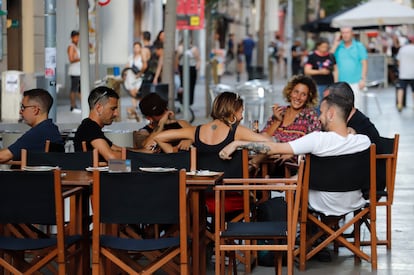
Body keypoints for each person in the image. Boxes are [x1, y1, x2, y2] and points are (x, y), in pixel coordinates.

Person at [219, 93, 370, 217]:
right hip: (354, 202)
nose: (319, 117)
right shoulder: (364, 142)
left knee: (292, 191)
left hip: (322, 203)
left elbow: (272, 148)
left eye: (322, 113)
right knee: (301, 177)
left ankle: (297, 240)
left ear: (331, 114)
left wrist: (237, 144)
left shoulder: (316, 139)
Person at [152, 91, 272, 154]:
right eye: (241, 112)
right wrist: (239, 143)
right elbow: (269, 143)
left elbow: (159, 137)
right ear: (232, 113)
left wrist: (174, 157)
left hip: (203, 192)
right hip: (230, 191)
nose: (241, 117)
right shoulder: (237, 131)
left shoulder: (196, 131)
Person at [252, 75, 321, 173]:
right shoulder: (280, 112)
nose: (298, 97)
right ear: (290, 92)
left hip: (290, 166)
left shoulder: (310, 116)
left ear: (308, 97)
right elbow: (262, 139)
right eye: (296, 92)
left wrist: (293, 152)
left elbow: (315, 143)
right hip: (268, 162)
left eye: (303, 94)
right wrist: (277, 121)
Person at [0, 88, 63, 163]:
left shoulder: (38, 133)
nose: (20, 112)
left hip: (31, 174)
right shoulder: (51, 129)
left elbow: (3, 156)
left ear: (35, 110)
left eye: (23, 107)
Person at [73, 86, 122, 161]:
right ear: (99, 108)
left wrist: (143, 153)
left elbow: (118, 149)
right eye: (113, 109)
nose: (116, 114)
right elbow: (112, 158)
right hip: (94, 173)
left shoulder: (91, 126)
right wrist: (137, 160)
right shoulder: (89, 127)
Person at [331, 27, 368, 110]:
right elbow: (329, 58)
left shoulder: (359, 46)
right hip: (341, 83)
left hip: (356, 82)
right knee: (341, 109)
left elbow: (364, 63)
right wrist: (335, 44)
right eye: (343, 33)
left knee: (356, 107)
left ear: (352, 33)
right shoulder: (338, 47)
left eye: (347, 32)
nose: (345, 35)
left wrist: (363, 79)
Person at [304, 37, 338, 107]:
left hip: (330, 84)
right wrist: (320, 72)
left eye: (326, 47)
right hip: (318, 84)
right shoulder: (312, 56)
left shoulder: (331, 56)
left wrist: (336, 83)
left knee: (330, 104)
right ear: (318, 46)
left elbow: (335, 70)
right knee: (319, 104)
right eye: (322, 47)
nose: (324, 49)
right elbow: (307, 71)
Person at [122, 41, 148, 120]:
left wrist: (140, 73)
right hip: (130, 78)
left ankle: (137, 108)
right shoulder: (131, 57)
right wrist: (124, 74)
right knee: (132, 93)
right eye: (135, 47)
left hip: (138, 78)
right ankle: (135, 109)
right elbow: (127, 66)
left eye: (137, 47)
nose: (136, 49)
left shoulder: (142, 57)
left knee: (137, 93)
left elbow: (144, 66)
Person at [175, 38, 201, 106]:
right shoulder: (180, 48)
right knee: (182, 85)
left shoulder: (194, 49)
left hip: (191, 68)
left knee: (191, 85)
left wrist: (197, 67)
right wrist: (176, 68)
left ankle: (189, 101)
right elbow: (177, 59)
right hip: (182, 67)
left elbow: (198, 59)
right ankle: (182, 100)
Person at [396, 35, 414, 112]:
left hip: (403, 73)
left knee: (401, 89)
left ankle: (400, 105)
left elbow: (398, 61)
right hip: (413, 73)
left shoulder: (402, 49)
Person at [67, 30, 81, 113]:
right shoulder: (71, 46)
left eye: (78, 37)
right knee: (74, 89)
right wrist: (81, 58)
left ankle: (79, 105)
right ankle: (72, 105)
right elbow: (71, 59)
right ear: (72, 37)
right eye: (76, 37)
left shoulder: (76, 46)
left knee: (79, 89)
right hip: (74, 71)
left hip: (78, 71)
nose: (78, 39)